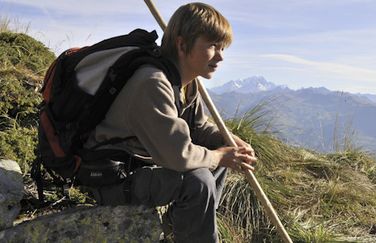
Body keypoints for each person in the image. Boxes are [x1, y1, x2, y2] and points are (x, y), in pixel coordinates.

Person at [83, 2, 256, 243]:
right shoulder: (152, 83)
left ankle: (182, 226)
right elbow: (179, 157)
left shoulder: (187, 83)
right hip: (111, 177)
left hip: (141, 165)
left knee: (222, 157)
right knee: (200, 180)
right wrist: (220, 155)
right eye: (213, 46)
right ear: (182, 44)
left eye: (223, 47)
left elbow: (199, 128)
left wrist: (229, 142)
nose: (221, 56)